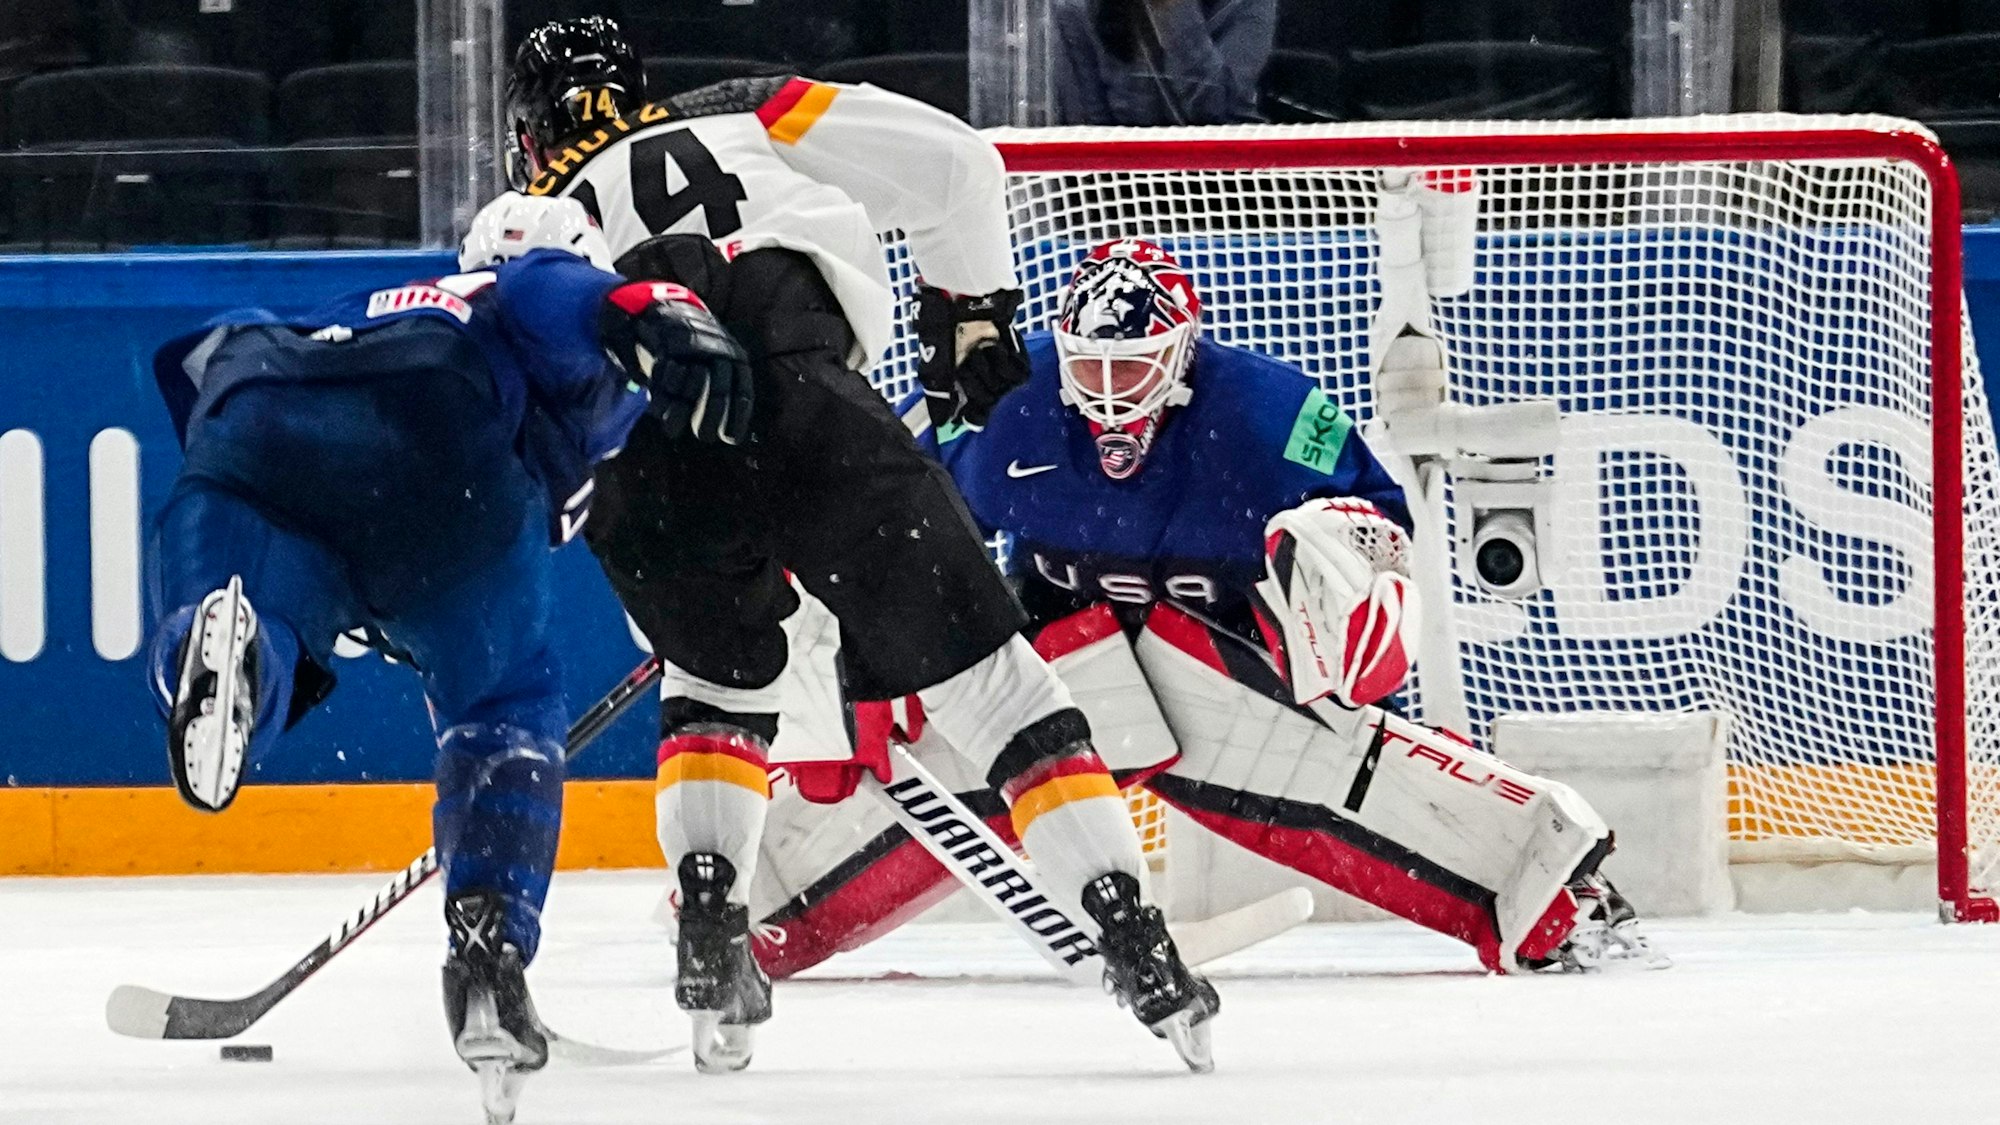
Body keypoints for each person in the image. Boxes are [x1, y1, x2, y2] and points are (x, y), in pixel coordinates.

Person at [493, 16, 1218, 1072]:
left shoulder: (516, 224)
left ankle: (711, 930)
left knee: (715, 685)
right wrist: (967, 313)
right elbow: (960, 165)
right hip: (803, 399)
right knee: (1000, 694)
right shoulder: (748, 109)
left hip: (634, 461)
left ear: (524, 132)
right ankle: (1136, 944)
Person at [745, 239, 1667, 979]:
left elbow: (1380, 525)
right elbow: (874, 510)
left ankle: (1552, 888)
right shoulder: (1008, 402)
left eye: (1133, 370)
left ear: (1182, 358)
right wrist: (861, 661)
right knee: (936, 737)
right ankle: (750, 898)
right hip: (1051, 649)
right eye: (1091, 371)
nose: (1109, 398)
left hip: (1220, 649)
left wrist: (1337, 597)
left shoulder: (1266, 413)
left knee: (1323, 765)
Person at [146, 194, 750, 1124]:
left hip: (256, 403)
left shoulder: (391, 292)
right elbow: (557, 294)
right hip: (438, 446)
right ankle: (487, 949)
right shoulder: (530, 295)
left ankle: (224, 654)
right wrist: (648, 313)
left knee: (270, 623)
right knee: (506, 708)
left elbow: (193, 380)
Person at [1052, 0, 1278, 126]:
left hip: (1225, 185)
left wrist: (1175, 11)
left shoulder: (1245, 6)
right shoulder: (1077, 10)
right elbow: (1090, 136)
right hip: (1128, 190)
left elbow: (1216, 111)